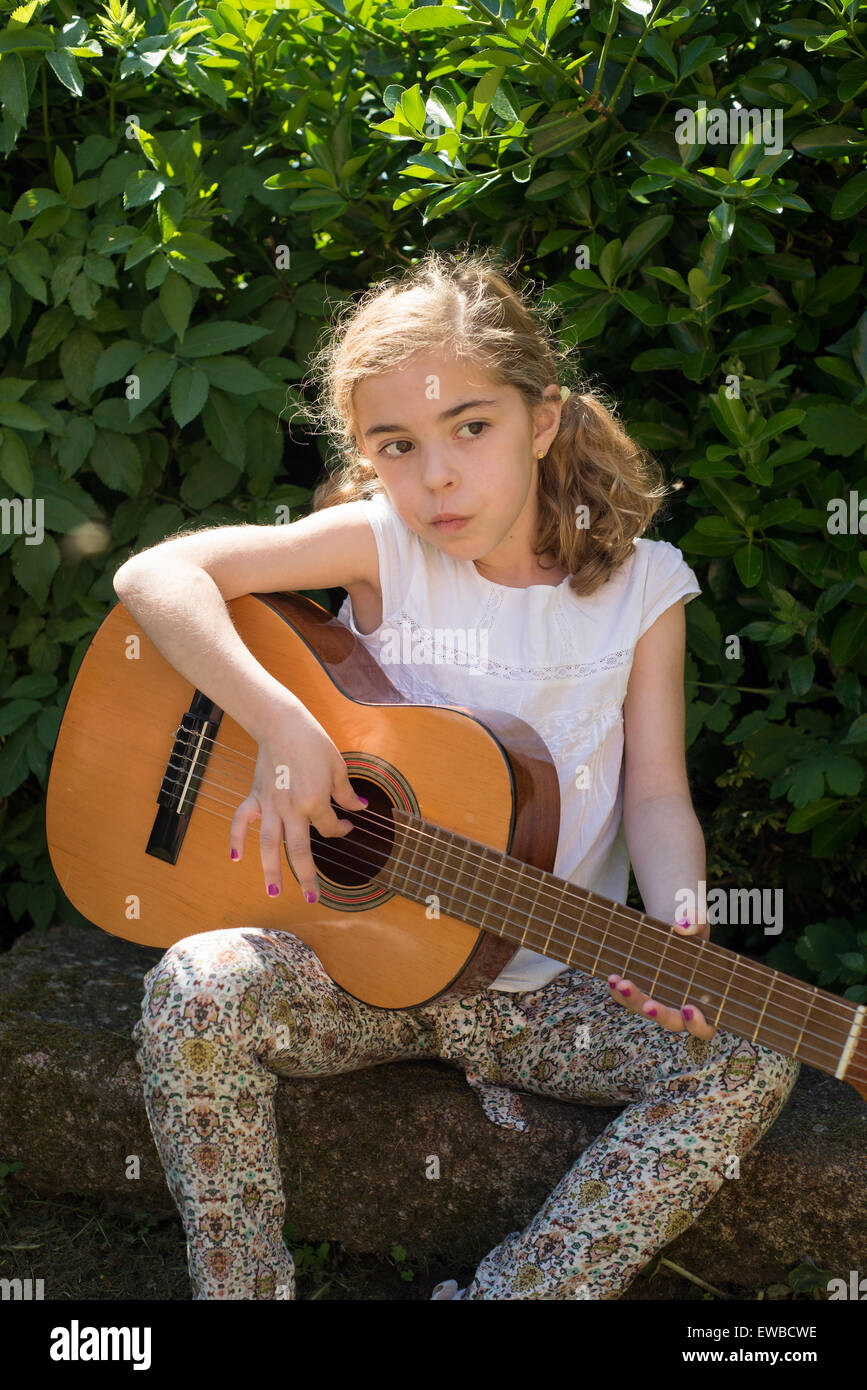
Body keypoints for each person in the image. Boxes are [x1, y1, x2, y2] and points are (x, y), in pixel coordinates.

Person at [116, 248, 800, 1300]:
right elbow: (156, 575)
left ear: (545, 418)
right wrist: (285, 725)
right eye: (399, 445)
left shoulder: (644, 588)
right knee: (194, 989)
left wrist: (676, 926)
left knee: (755, 1052)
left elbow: (659, 790)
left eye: (470, 427)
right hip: (347, 965)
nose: (437, 475)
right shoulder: (382, 546)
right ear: (369, 456)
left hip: (535, 993)